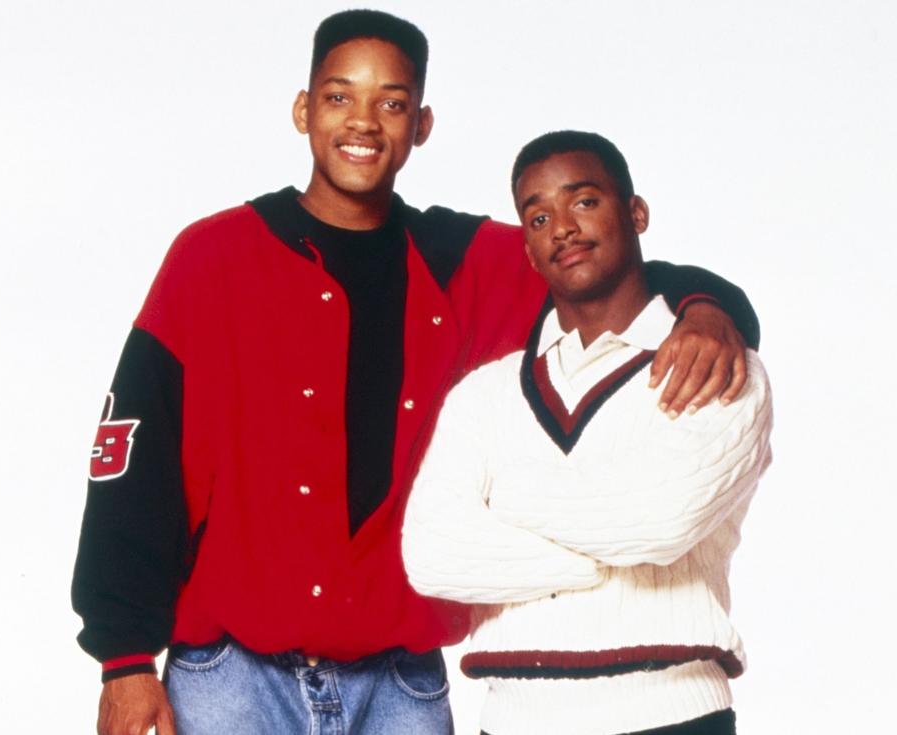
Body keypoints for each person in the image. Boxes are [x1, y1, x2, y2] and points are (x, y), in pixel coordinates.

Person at [72, 11, 760, 735]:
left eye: (392, 102)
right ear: (304, 109)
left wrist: (708, 305)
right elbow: (132, 456)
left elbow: (605, 273)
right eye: (340, 96)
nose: (363, 121)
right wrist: (123, 658)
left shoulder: (464, 262)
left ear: (422, 123)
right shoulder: (213, 258)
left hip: (402, 686)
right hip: (231, 679)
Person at [401, 130, 773, 735]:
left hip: (673, 713)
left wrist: (506, 497)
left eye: (585, 201)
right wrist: (607, 560)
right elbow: (434, 555)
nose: (563, 228)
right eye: (539, 215)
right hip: (512, 718)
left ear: (636, 212)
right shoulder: (484, 394)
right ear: (527, 248)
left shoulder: (720, 362)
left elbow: (658, 521)